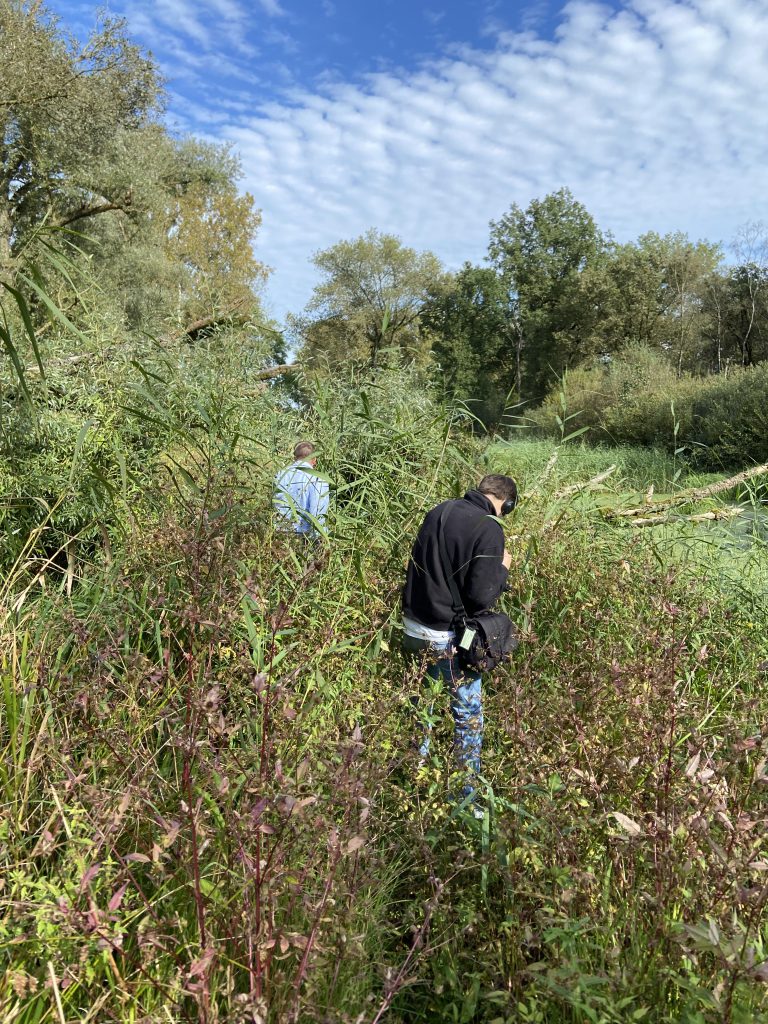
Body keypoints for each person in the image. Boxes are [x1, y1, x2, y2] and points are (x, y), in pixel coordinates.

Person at [401, 474, 518, 811]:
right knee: (467, 713)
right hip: (448, 635)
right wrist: (503, 570)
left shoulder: (440, 510)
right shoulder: (490, 528)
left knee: (422, 704)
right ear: (507, 503)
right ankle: (464, 798)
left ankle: (413, 778)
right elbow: (481, 597)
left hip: (414, 626)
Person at [273, 441, 330, 539]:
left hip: (280, 534)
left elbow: (276, 505)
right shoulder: (318, 478)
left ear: (295, 458)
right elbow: (317, 513)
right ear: (314, 459)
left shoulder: (280, 475)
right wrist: (319, 539)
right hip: (305, 536)